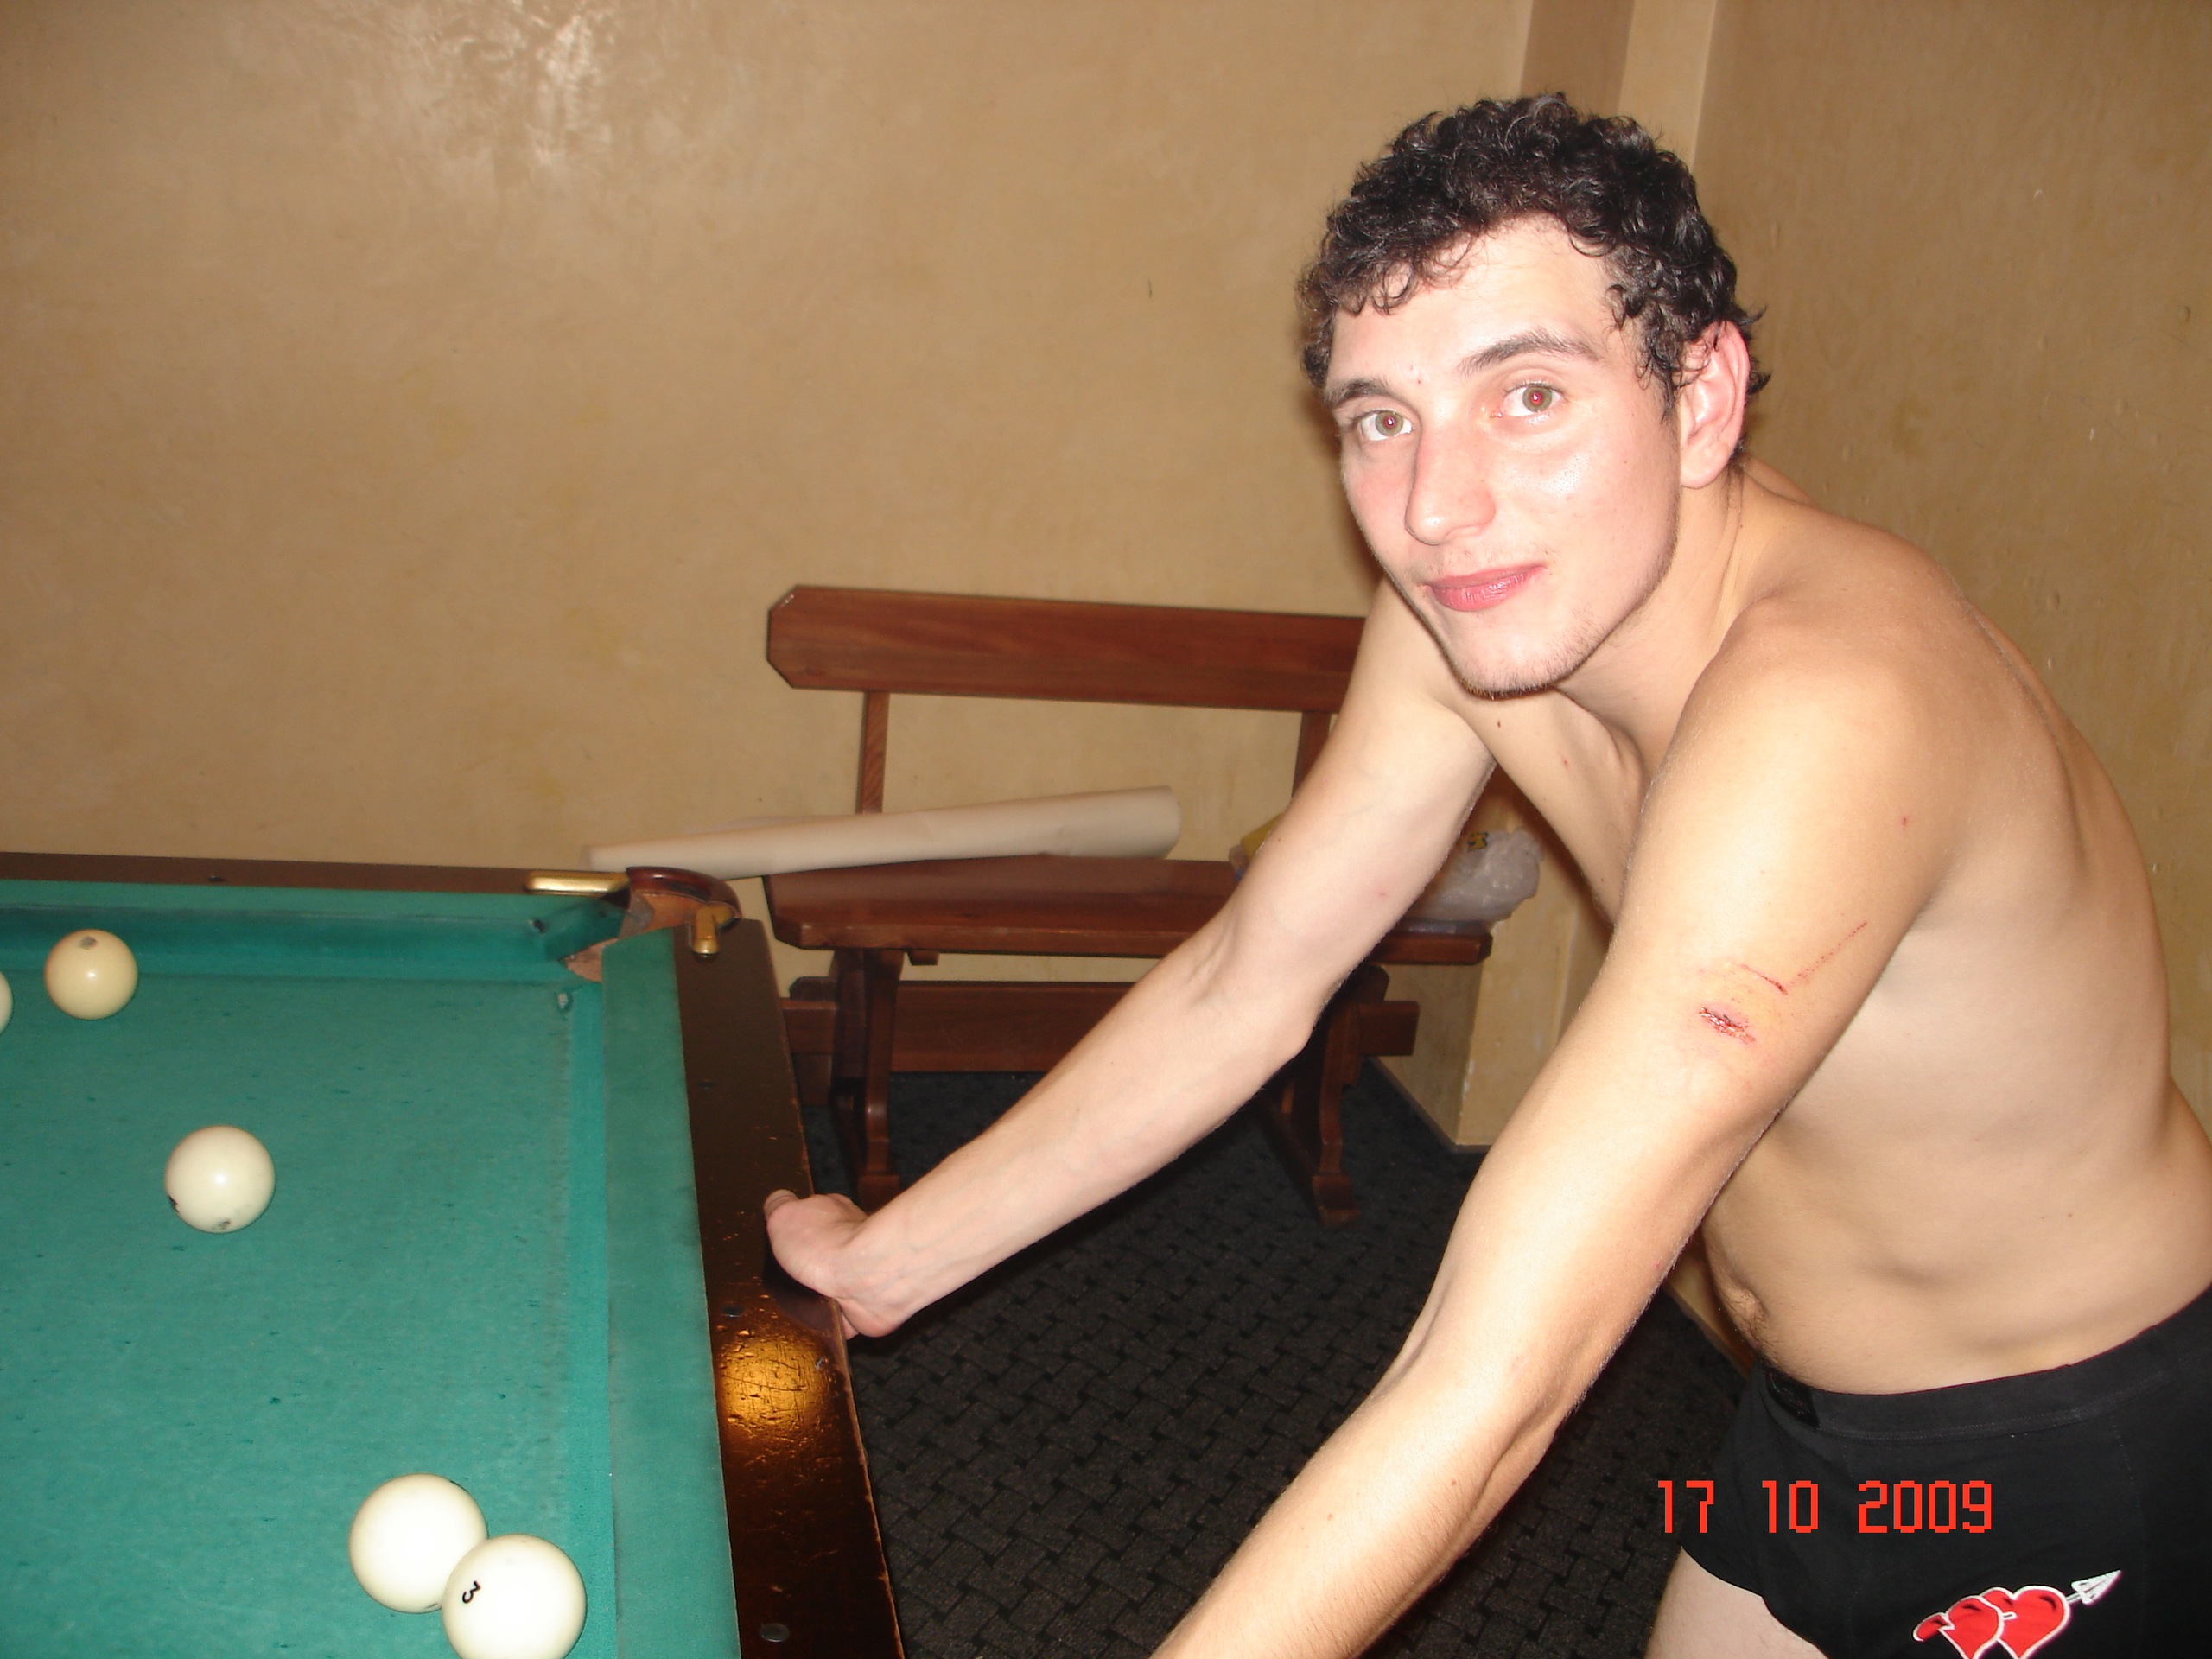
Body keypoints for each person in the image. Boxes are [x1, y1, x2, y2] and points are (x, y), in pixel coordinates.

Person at [766, 96, 2212, 1657]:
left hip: (2076, 1453)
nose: (1437, 508)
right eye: (1380, 419)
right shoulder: (1473, 612)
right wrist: (889, 1261)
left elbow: (1490, 1378)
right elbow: (1248, 978)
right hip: (1812, 1432)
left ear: (1702, 397)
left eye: (1528, 395)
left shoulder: (1834, 714)